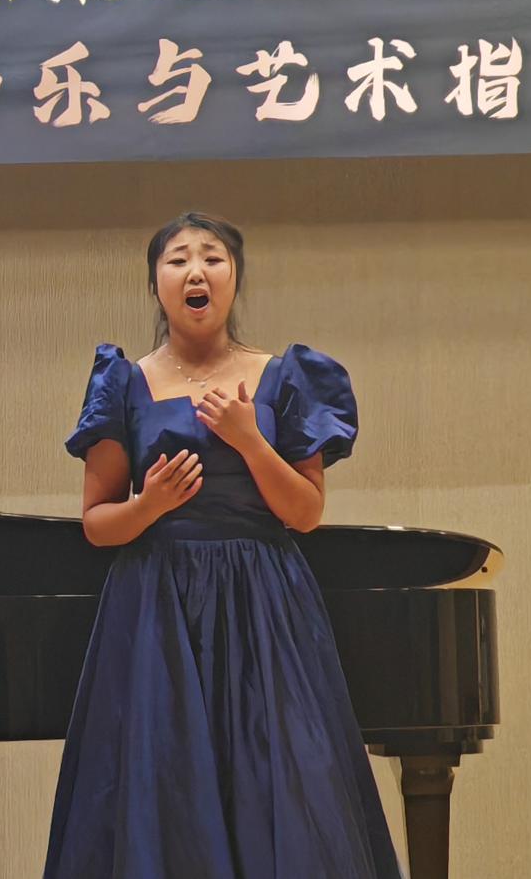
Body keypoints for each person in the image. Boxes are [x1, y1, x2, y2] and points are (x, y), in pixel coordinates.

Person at [43, 212, 402, 879]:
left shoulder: (285, 377)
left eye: (212, 258)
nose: (196, 271)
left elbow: (305, 513)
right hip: (156, 606)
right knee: (163, 783)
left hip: (264, 603)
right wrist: (149, 506)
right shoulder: (123, 382)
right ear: (156, 284)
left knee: (284, 778)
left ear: (234, 279)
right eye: (177, 259)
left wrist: (249, 440)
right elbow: (96, 523)